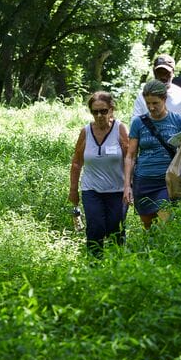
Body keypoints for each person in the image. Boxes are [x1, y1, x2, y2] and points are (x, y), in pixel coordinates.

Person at [69, 92, 129, 256]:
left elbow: (130, 158)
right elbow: (76, 162)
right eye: (95, 112)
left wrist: (130, 187)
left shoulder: (120, 129)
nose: (99, 115)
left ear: (111, 109)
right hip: (92, 190)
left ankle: (118, 265)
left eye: (103, 111)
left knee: (115, 229)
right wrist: (73, 190)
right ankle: (94, 266)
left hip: (117, 190)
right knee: (96, 228)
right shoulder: (86, 132)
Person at [124, 80, 181, 229]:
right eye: (148, 104)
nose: (151, 107)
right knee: (149, 227)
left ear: (164, 99)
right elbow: (130, 155)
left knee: (165, 224)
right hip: (144, 182)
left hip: (168, 182)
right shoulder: (138, 123)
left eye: (155, 103)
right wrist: (127, 185)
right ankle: (150, 252)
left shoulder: (177, 121)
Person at [132, 54, 181, 133]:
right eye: (159, 73)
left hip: (179, 144)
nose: (163, 77)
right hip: (150, 143)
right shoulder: (142, 95)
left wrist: (174, 127)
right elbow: (134, 123)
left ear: (173, 72)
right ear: (154, 72)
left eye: (166, 73)